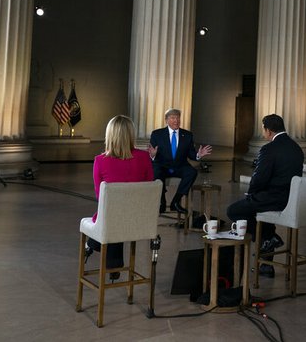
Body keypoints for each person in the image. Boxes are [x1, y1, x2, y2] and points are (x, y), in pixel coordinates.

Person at [226, 114, 303, 277]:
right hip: (290, 200)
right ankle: (266, 267)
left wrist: (251, 192)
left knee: (234, 211)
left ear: (268, 130)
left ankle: (269, 237)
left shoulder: (269, 149)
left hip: (273, 199)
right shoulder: (296, 148)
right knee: (265, 220)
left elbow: (259, 177)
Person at [85, 115, 154, 279]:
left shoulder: (100, 161)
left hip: (112, 219)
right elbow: (148, 189)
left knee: (111, 215)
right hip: (139, 219)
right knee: (119, 214)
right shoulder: (144, 157)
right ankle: (113, 264)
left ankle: (95, 247)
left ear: (109, 135)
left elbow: (100, 197)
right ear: (131, 134)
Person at [148, 108, 212, 214]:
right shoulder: (157, 134)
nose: (176, 120)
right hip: (162, 165)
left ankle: (176, 201)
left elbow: (191, 154)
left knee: (192, 172)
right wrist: (153, 155)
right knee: (156, 171)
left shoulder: (187, 135)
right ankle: (161, 201)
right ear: (166, 120)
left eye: (177, 117)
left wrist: (198, 155)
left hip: (179, 165)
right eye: (173, 118)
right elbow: (153, 153)